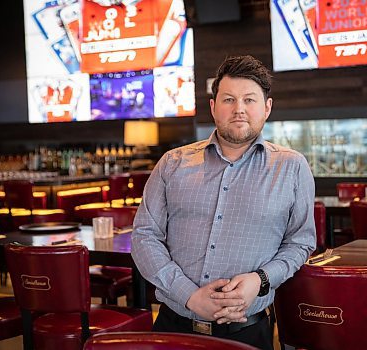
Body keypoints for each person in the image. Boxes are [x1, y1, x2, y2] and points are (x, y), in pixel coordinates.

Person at [131, 55, 316, 349]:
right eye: (228, 99)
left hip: (248, 333)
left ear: (267, 108)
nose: (239, 109)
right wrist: (189, 295)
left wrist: (260, 280)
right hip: (172, 327)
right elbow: (143, 236)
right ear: (213, 107)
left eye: (250, 100)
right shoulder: (172, 163)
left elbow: (300, 242)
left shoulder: (291, 167)